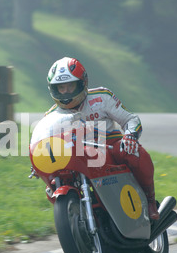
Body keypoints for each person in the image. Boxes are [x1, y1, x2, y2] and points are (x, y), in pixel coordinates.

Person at [46, 56, 159, 220]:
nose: (66, 92)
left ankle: (150, 201)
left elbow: (130, 119)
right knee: (53, 184)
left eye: (70, 85)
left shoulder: (102, 97)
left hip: (110, 146)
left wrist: (130, 137)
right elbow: (47, 144)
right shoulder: (50, 116)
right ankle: (76, 217)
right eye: (61, 88)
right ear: (53, 89)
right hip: (76, 155)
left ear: (82, 83)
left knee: (134, 153)